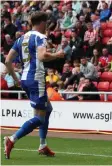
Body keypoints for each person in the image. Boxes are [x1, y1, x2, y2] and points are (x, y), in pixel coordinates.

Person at [4, 12, 65, 159]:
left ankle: (42, 145)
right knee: (39, 118)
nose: (47, 27)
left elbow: (7, 61)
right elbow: (42, 56)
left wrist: (15, 78)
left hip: (25, 78)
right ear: (42, 23)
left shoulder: (21, 39)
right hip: (36, 78)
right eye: (46, 23)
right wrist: (58, 54)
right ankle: (12, 139)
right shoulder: (40, 37)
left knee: (47, 108)